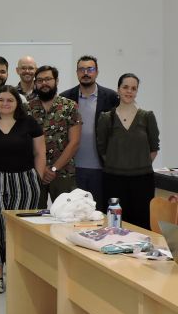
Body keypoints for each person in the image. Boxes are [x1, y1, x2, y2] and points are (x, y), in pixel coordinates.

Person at [0, 86, 45, 294]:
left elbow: (40, 153)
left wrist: (37, 179)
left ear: (17, 103)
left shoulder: (29, 123)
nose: (5, 104)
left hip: (24, 182)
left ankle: (16, 274)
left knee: (19, 232)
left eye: (10, 100)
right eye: (1, 100)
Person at [97, 73, 159, 229]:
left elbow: (154, 148)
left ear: (137, 91)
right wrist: (119, 164)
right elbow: (102, 148)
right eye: (125, 87)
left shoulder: (147, 116)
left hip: (142, 181)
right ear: (118, 89)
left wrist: (137, 165)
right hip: (113, 181)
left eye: (133, 88)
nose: (129, 91)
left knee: (142, 224)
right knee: (115, 225)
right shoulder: (106, 118)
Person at [60, 55, 119, 211]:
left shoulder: (111, 97)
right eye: (81, 69)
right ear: (77, 73)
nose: (85, 73)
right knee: (73, 213)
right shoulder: (65, 97)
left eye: (90, 69)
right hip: (72, 169)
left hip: (101, 168)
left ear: (97, 72)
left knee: (98, 213)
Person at [26, 66, 81, 207]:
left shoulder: (70, 106)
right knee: (33, 215)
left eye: (48, 79)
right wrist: (42, 168)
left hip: (63, 172)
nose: (44, 83)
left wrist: (53, 169)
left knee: (67, 213)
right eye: (39, 80)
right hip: (34, 172)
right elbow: (24, 142)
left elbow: (74, 142)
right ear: (35, 83)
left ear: (56, 81)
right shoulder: (27, 108)